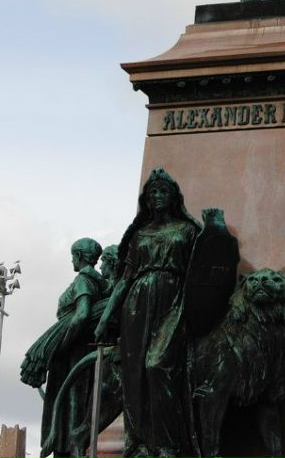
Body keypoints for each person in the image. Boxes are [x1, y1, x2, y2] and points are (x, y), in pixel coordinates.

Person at [94, 169, 201, 458]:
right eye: (152, 192)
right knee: (135, 373)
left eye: (162, 191)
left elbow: (202, 272)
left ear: (174, 196)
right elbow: (125, 279)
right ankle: (140, 441)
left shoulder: (187, 231)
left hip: (173, 299)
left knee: (157, 365)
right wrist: (106, 318)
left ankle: (168, 443)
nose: (157, 196)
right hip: (137, 303)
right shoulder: (140, 234)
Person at [21, 238, 107, 458]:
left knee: (68, 405)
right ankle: (69, 447)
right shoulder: (98, 283)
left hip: (71, 353)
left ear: (79, 256)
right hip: (80, 350)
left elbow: (82, 314)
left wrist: (61, 345)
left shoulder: (83, 280)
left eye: (72, 256)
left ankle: (65, 449)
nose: (71, 260)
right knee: (75, 404)